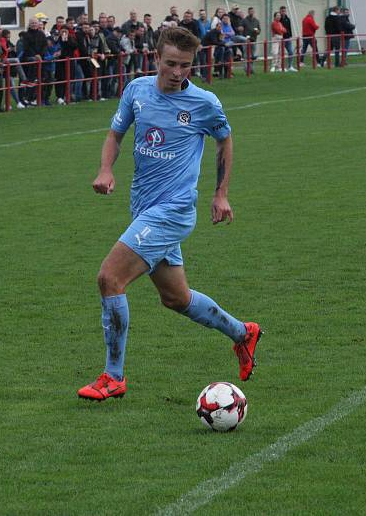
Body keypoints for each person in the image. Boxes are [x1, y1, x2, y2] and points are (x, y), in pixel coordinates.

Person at [77, 26, 262, 401]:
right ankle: (243, 333)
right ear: (156, 58)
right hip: (143, 208)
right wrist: (106, 169)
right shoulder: (137, 90)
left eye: (186, 66)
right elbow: (116, 134)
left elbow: (225, 140)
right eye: (171, 64)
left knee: (109, 278)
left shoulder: (204, 103)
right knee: (176, 299)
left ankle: (113, 377)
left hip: (174, 211)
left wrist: (220, 194)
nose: (178, 73)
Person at [279, 6, 296, 72]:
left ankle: (290, 66)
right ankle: (280, 66)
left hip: (288, 38)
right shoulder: (278, 20)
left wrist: (290, 35)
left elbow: (289, 28)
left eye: (284, 11)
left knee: (291, 52)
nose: (283, 12)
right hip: (281, 38)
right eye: (282, 11)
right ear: (280, 11)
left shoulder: (287, 19)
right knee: (280, 53)